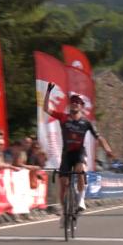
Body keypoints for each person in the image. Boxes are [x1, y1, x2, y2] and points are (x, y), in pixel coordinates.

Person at [42, 83, 113, 219]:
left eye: (78, 102)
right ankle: (65, 212)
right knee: (63, 183)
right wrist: (48, 92)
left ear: (82, 106)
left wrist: (107, 149)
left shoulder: (86, 123)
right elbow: (46, 109)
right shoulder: (63, 117)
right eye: (73, 102)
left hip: (79, 152)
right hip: (67, 154)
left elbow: (99, 137)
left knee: (81, 170)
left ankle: (81, 201)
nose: (75, 104)